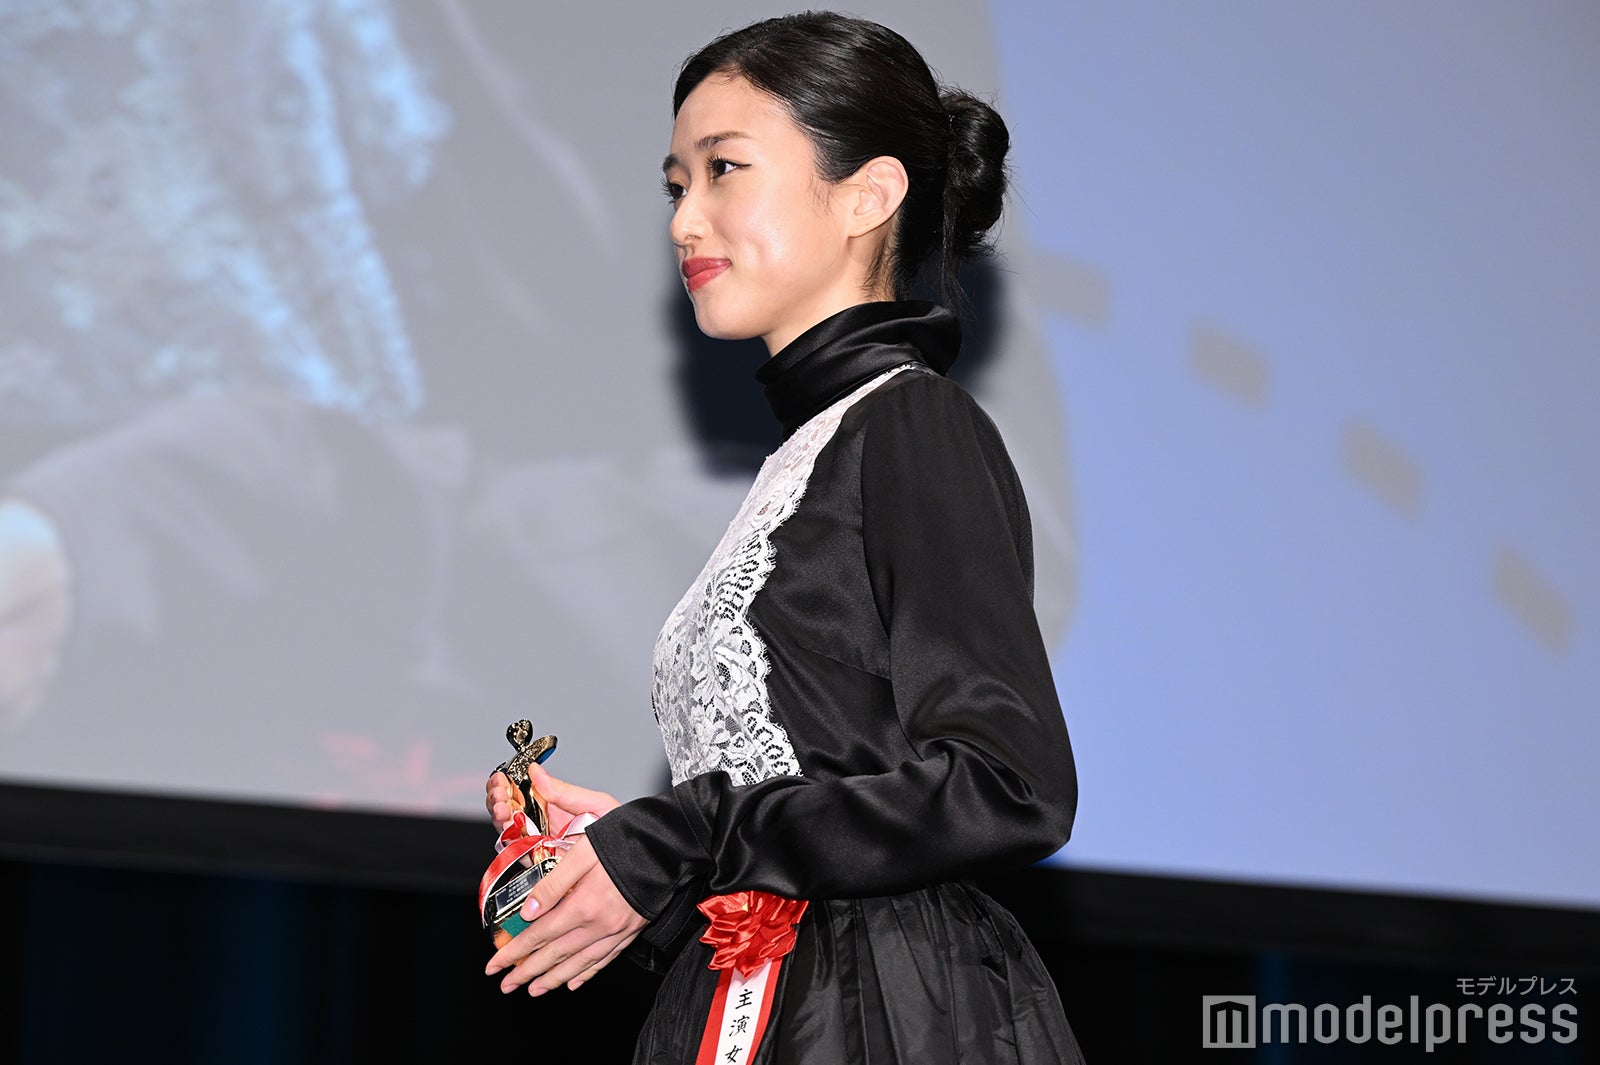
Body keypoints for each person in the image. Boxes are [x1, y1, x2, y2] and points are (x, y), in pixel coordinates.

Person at [484, 13, 1084, 1063]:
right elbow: (823, 785)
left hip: (887, 1016)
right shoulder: (808, 454)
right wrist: (626, 862)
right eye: (676, 185)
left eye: (724, 170)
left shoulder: (910, 423)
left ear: (868, 195)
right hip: (775, 999)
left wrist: (683, 833)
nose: (685, 220)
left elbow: (1008, 786)